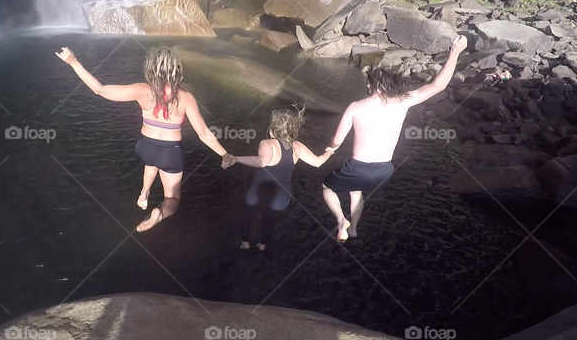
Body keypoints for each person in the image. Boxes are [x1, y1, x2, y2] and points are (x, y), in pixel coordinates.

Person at [56, 45, 233, 232]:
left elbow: (100, 90)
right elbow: (204, 134)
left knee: (152, 162)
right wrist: (225, 154)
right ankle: (158, 215)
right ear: (176, 71)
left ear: (151, 69)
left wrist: (73, 62)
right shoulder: (186, 98)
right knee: (172, 198)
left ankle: (144, 193)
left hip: (145, 148)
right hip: (169, 153)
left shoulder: (141, 90)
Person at [323, 35, 468, 242]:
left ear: (372, 86)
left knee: (327, 187)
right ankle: (353, 229)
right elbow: (438, 86)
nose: (367, 87)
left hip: (359, 167)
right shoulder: (402, 101)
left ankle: (341, 221)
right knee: (355, 191)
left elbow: (337, 140)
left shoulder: (355, 107)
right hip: (385, 170)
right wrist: (455, 52)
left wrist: (330, 149)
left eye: (368, 84)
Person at [224, 107, 334, 251]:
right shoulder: (297, 147)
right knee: (270, 217)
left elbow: (262, 161)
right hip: (281, 196)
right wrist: (330, 151)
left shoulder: (267, 143)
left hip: (258, 192)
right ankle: (262, 245)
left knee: (245, 214)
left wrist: (236, 159)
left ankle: (245, 244)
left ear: (272, 130)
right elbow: (318, 162)